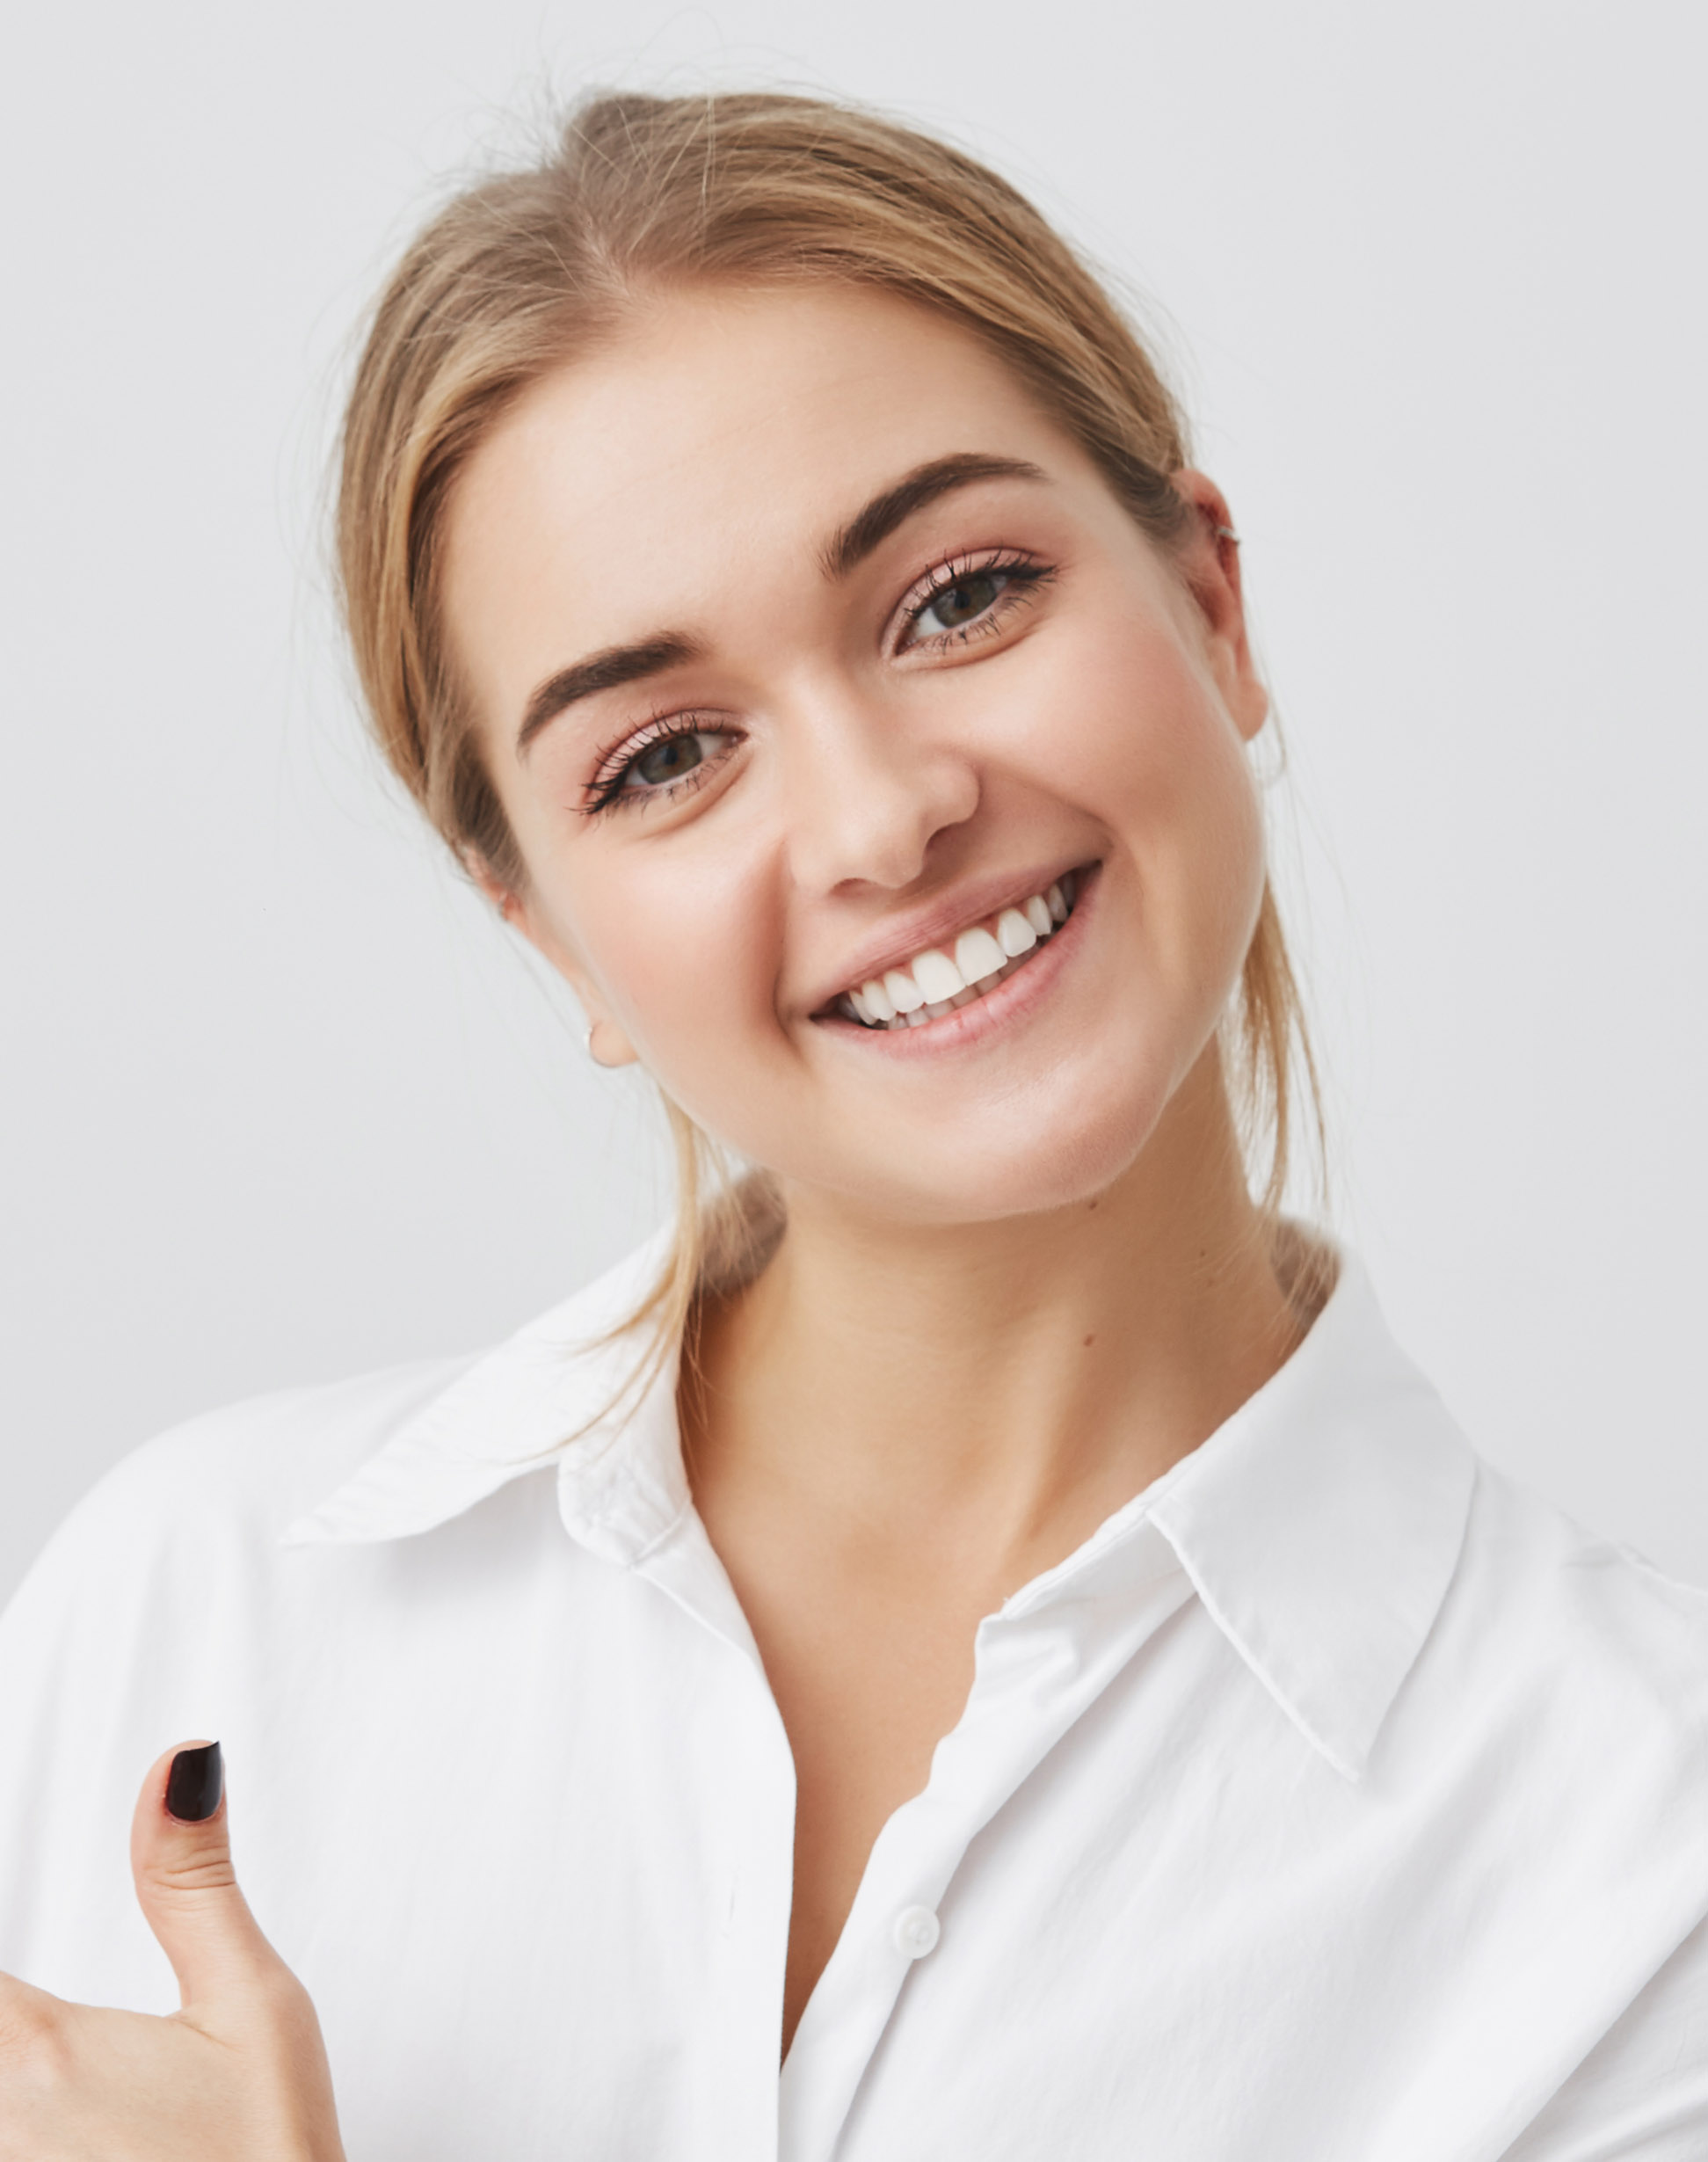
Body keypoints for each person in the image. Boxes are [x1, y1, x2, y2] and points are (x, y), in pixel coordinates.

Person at [0, 89, 1704, 2162]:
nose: (886, 818)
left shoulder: (1645, 1853)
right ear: (542, 931)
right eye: (666, 757)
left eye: (958, 597)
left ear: (1213, 606)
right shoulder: (192, 1613)